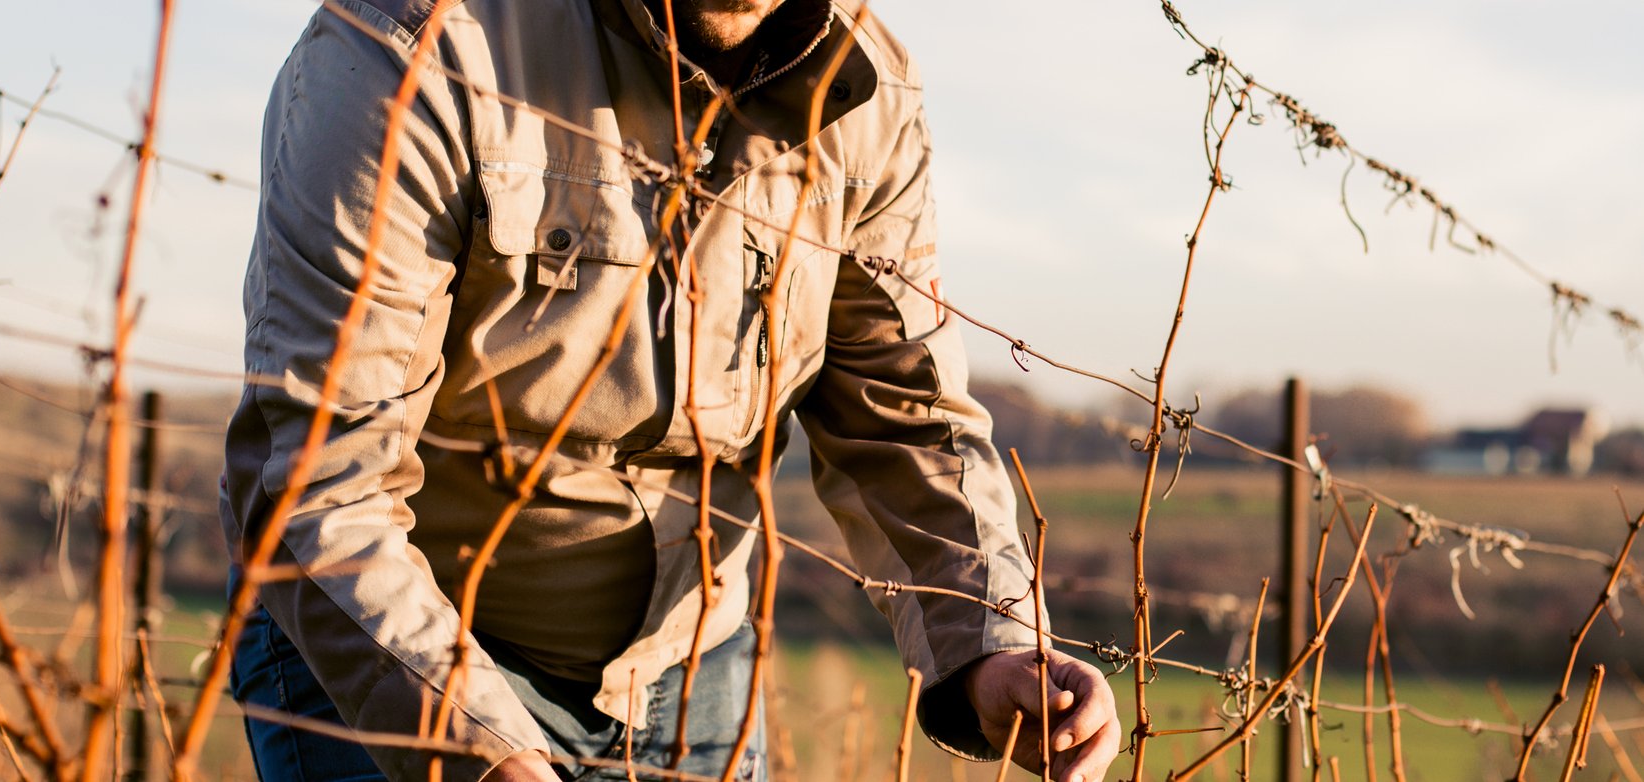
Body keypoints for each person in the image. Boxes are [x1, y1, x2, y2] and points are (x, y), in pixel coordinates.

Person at [219, 0, 1120, 779]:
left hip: (692, 673)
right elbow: (321, 479)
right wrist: (482, 752)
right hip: (388, 651)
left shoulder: (863, 88)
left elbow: (903, 418)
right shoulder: (412, 49)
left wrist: (998, 639)